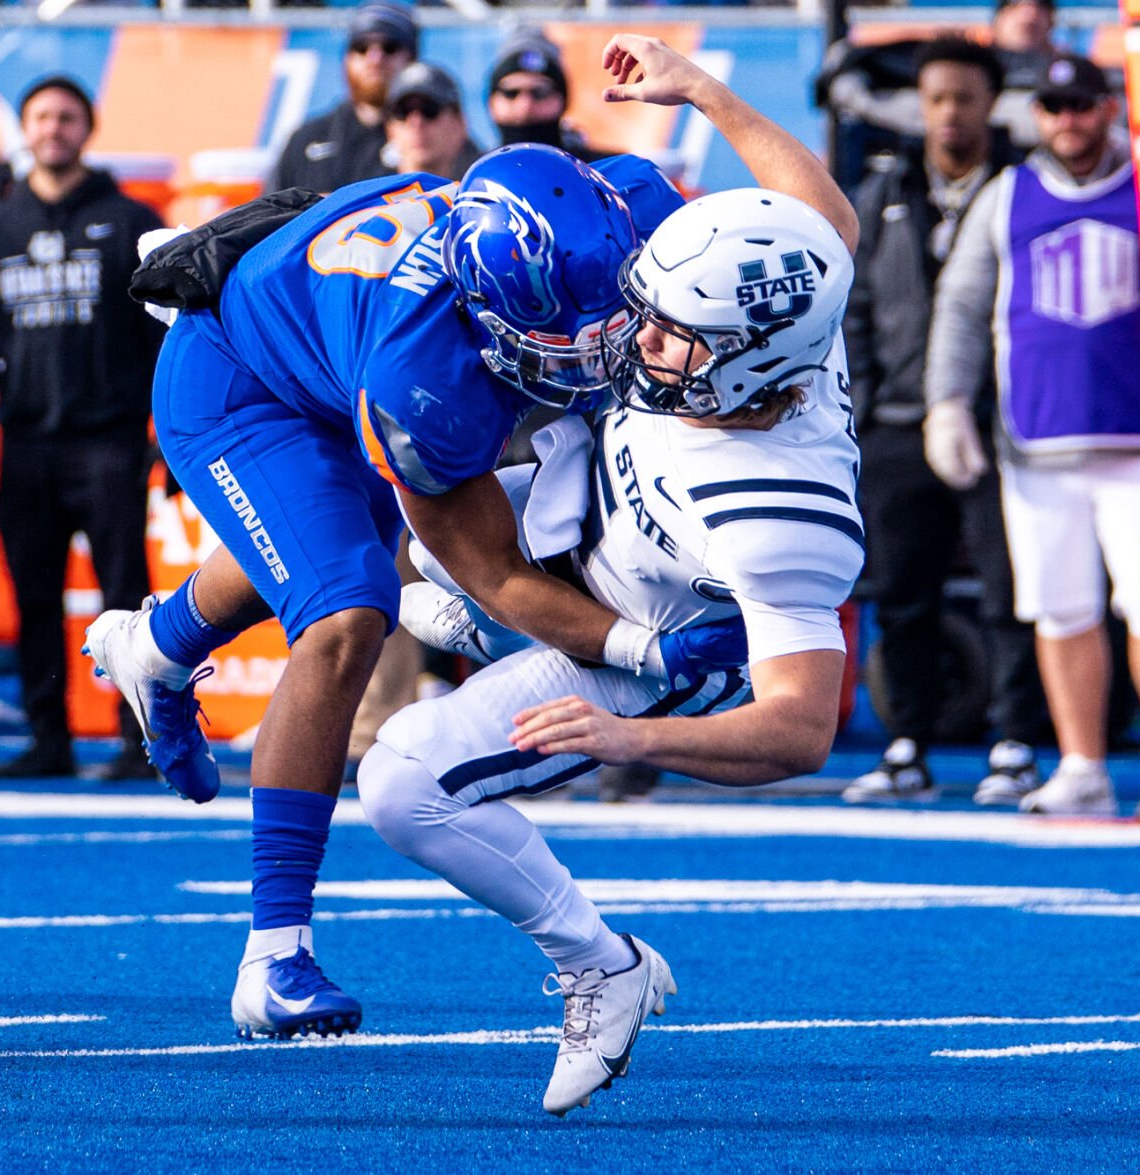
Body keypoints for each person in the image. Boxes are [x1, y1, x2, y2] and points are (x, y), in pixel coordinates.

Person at [82, 35, 766, 1045]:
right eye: (565, 329)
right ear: (492, 306)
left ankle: (155, 644)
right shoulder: (425, 374)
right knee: (347, 608)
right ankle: (271, 957)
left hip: (317, 336)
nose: (595, 345)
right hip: (242, 381)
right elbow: (492, 573)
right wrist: (644, 648)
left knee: (339, 540)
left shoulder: (624, 199)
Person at [357, 42, 861, 1117]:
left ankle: (602, 962)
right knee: (412, 521)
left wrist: (634, 738)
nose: (642, 335)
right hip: (596, 520)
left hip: (661, 649)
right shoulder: (771, 304)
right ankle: (488, 616)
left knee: (403, 785)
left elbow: (800, 727)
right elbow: (824, 220)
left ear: (756, 363)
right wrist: (707, 95)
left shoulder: (778, 520)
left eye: (678, 335)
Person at [926, 54, 1140, 816]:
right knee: (1060, 607)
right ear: (1034, 113)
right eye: (1053, 106)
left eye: (1081, 105)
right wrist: (944, 401)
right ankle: (1080, 761)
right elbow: (961, 304)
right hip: (1037, 443)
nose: (1066, 120)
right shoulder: (1005, 196)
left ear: (1109, 108)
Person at [841, 36, 1043, 806]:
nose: (949, 114)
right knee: (902, 591)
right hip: (895, 419)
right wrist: (861, 409)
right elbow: (851, 307)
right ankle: (906, 744)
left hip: (998, 426)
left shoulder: (1026, 187)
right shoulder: (883, 191)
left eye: (963, 97)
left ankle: (1017, 740)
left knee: (1009, 589)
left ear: (991, 104)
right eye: (935, 99)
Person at [0, 76, 164, 780]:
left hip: (110, 441)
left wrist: (174, 434)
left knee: (125, 595)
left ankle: (144, 741)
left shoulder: (129, 224)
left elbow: (170, 339)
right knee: (33, 596)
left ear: (87, 127)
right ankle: (48, 738)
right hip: (26, 442)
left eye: (66, 117)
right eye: (41, 117)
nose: (53, 129)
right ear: (25, 129)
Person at [267, 3, 417, 194]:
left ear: (413, 58)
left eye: (389, 47)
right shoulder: (308, 140)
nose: (375, 58)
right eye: (361, 47)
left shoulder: (429, 136)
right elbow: (271, 214)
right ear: (346, 58)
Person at [487, 32, 609, 162]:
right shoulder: (468, 176)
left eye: (539, 93)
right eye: (510, 93)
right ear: (491, 101)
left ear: (563, 99)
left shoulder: (602, 173)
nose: (525, 106)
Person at [381, 62, 478, 181]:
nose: (416, 123)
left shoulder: (487, 195)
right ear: (389, 129)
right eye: (403, 112)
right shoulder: (369, 197)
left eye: (429, 109)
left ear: (460, 123)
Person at [992, 0, 1057, 89]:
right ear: (998, 19)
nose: (1029, 16)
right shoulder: (975, 68)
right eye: (1015, 6)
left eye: (1040, 7)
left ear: (1051, 23)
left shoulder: (1067, 73)